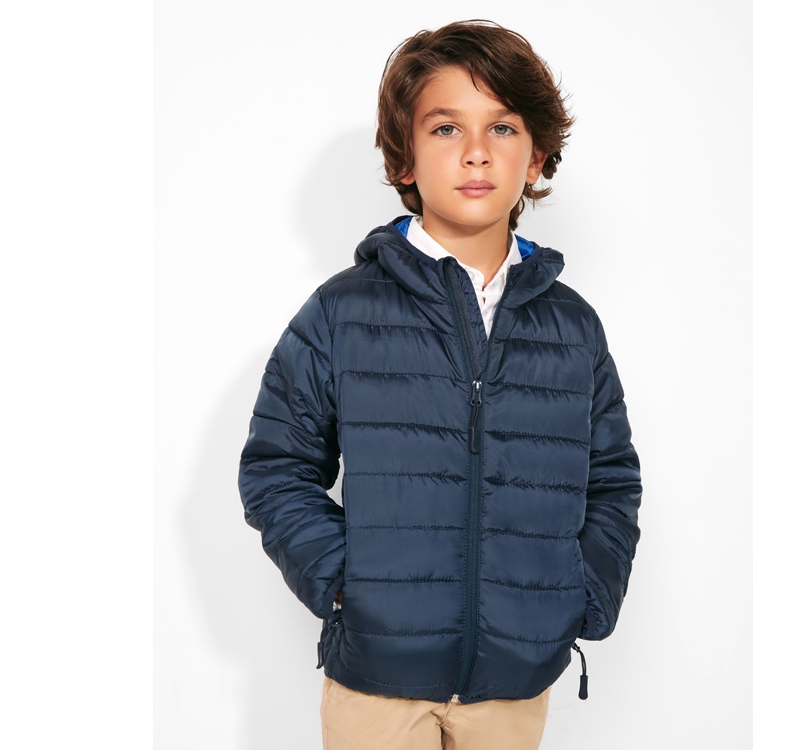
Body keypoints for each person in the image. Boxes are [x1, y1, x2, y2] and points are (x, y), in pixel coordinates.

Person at [238, 19, 642, 750]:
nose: (476, 151)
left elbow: (612, 478)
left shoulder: (573, 327)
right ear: (405, 157)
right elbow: (277, 468)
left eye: (503, 127)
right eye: (447, 127)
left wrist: (581, 595)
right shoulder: (341, 313)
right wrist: (348, 585)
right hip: (377, 686)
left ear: (536, 157)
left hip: (514, 686)